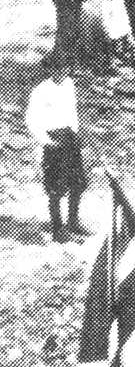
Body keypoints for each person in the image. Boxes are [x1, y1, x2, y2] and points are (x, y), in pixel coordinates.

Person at [26, 56, 88, 242]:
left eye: (64, 69)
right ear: (49, 70)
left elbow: (72, 110)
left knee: (78, 182)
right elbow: (31, 120)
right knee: (56, 186)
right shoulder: (41, 91)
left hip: (69, 137)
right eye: (56, 69)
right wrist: (46, 141)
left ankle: (73, 222)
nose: (60, 73)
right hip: (53, 139)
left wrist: (75, 133)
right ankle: (57, 228)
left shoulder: (69, 84)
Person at [93, 0, 135, 77]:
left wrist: (128, 30)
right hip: (110, 27)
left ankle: (129, 60)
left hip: (121, 25)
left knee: (127, 42)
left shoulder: (120, 1)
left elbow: (124, 16)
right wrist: (108, 31)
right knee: (113, 45)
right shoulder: (105, 3)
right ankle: (112, 64)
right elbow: (105, 20)